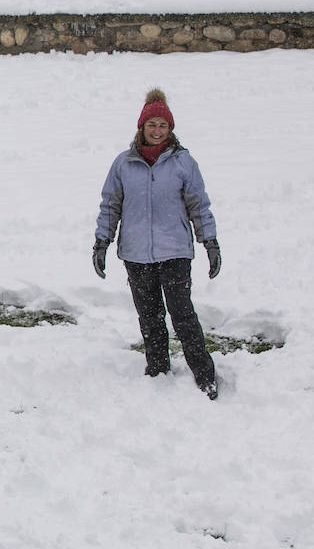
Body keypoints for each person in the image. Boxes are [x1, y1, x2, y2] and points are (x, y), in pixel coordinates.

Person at [94, 89, 222, 399]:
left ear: (170, 129)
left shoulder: (183, 162)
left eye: (163, 125)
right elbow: (110, 205)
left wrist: (210, 241)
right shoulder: (123, 164)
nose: (157, 130)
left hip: (175, 250)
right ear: (142, 127)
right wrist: (102, 241)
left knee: (182, 314)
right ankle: (158, 368)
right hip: (137, 254)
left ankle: (204, 374)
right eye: (151, 124)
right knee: (149, 316)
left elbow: (198, 204)